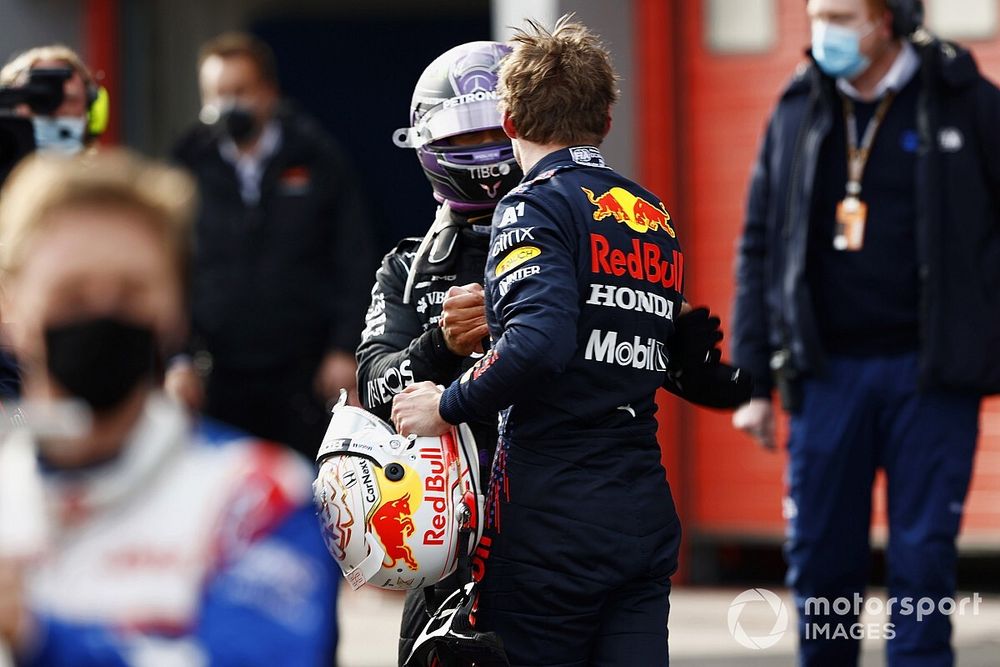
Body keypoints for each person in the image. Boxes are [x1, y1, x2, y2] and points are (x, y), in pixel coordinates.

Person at [392, 17, 748, 665]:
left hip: (548, 525)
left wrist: (443, 404)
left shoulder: (530, 206)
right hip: (641, 512)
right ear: (607, 118)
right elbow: (640, 349)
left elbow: (537, 345)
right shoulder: (650, 213)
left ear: (509, 123)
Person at [730, 0, 1000, 664]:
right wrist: (753, 381)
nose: (825, 31)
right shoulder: (796, 108)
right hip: (826, 377)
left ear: (889, 19)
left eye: (843, 16)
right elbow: (759, 244)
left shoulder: (965, 100)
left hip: (931, 377)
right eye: (819, 14)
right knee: (821, 559)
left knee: (923, 559)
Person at [0, 150, 337, 665]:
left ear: (177, 311)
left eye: (132, 293)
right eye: (73, 294)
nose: (103, 313)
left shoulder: (254, 497)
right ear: (12, 305)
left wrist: (32, 633)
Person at [355, 40, 522, 664]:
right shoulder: (406, 268)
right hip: (451, 549)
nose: (483, 155)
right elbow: (375, 388)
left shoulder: (578, 239)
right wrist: (440, 344)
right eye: (463, 136)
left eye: (497, 131)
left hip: (565, 531)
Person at [168, 32, 375, 458]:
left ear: (268, 92)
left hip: (304, 373)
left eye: (240, 92)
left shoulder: (318, 158)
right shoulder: (186, 163)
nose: (229, 105)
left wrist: (343, 348)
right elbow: (168, 265)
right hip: (216, 374)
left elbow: (354, 256)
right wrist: (177, 358)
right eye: (217, 94)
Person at [0, 44, 110, 156]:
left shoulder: (108, 173)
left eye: (69, 100)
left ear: (89, 106)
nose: (55, 110)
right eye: (41, 99)